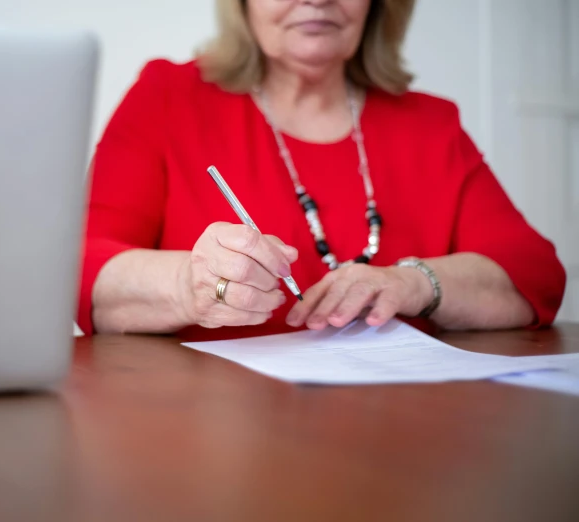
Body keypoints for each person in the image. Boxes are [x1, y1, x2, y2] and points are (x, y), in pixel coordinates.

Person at [78, 0, 566, 341]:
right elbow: (81, 270)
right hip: (211, 435)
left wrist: (412, 282)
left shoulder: (431, 124)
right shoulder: (168, 97)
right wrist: (190, 285)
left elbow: (533, 275)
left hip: (404, 434)